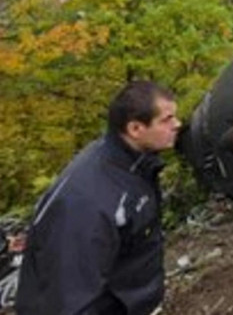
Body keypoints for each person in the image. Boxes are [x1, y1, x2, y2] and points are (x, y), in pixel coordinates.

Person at [16, 80, 181, 315]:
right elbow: (70, 296)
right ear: (135, 129)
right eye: (167, 119)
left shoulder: (134, 164)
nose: (177, 124)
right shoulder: (89, 199)